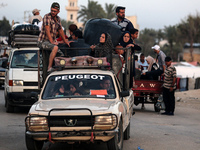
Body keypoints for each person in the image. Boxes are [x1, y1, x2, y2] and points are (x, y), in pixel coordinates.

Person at [37, 2, 72, 73]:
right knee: (55, 48)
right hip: (43, 41)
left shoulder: (58, 19)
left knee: (61, 55)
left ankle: (58, 69)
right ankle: (49, 67)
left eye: (54, 11)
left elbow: (61, 30)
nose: (53, 12)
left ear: (58, 11)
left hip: (50, 42)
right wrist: (52, 41)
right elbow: (47, 30)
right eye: (52, 10)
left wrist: (65, 41)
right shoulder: (47, 17)